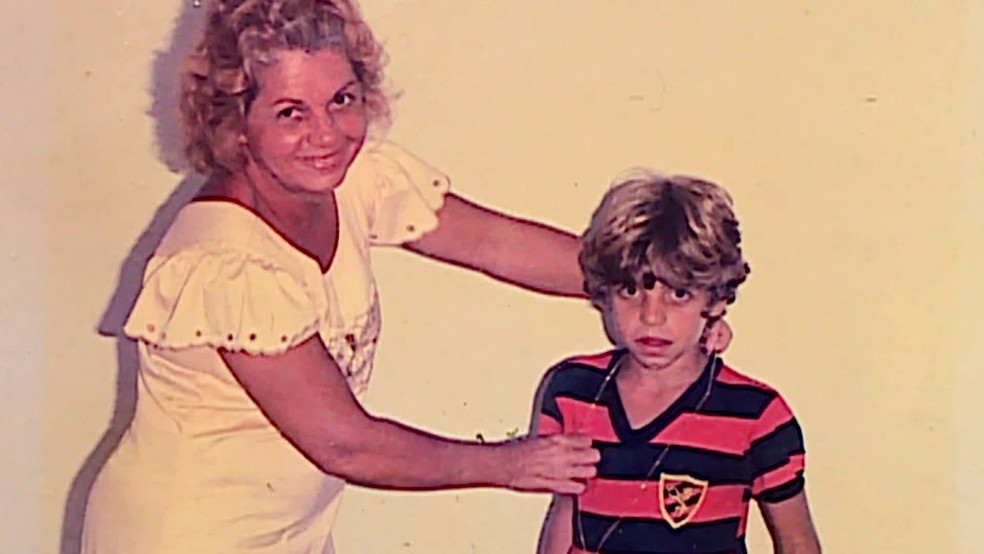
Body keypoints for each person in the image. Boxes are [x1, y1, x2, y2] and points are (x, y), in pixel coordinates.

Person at [80, 1, 731, 552]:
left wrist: (665, 291)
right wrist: (508, 463)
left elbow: (495, 244)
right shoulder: (224, 263)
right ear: (235, 124)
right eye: (290, 113)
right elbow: (347, 445)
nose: (326, 134)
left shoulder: (354, 179)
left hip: (291, 535)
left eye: (342, 100)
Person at [535, 170, 821, 554]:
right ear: (605, 293)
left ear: (716, 300)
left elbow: (797, 540)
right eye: (631, 290)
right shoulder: (573, 390)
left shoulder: (757, 414)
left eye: (680, 294)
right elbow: (564, 513)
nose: (652, 316)